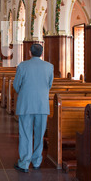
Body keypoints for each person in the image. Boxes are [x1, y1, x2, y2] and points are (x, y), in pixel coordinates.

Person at [13, 44, 54, 173]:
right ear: (41, 53)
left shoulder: (22, 66)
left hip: (26, 105)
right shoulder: (49, 67)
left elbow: (16, 85)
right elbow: (49, 85)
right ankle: (36, 161)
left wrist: (25, 93)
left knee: (25, 133)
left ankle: (24, 163)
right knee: (39, 134)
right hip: (42, 105)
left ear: (29, 52)